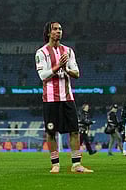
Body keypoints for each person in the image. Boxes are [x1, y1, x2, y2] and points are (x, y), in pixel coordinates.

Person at [35, 21, 93, 173]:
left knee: (74, 131)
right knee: (51, 132)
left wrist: (65, 68)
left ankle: (76, 164)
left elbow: (77, 73)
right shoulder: (41, 53)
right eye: (55, 29)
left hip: (67, 97)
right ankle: (55, 164)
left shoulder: (68, 51)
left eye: (60, 29)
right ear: (48, 32)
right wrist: (58, 67)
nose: (58, 31)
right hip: (50, 99)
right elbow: (43, 76)